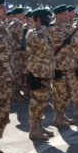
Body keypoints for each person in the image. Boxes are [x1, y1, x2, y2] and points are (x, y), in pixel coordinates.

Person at [48, 5, 78, 127]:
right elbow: (55, 43)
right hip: (59, 66)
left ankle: (62, 114)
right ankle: (57, 116)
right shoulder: (52, 27)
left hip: (70, 65)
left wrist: (71, 41)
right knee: (58, 92)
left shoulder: (69, 26)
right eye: (65, 14)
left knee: (69, 91)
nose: (68, 16)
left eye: (68, 14)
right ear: (58, 15)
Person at [0, 0, 15, 153]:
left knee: (2, 115)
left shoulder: (2, 27)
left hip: (5, 79)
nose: (5, 10)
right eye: (1, 7)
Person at [26, 8, 54, 140]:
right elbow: (40, 41)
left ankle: (39, 125)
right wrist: (43, 27)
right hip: (37, 72)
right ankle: (33, 129)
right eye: (46, 17)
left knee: (43, 101)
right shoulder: (32, 32)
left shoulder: (43, 31)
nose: (49, 19)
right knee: (36, 101)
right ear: (39, 19)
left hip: (46, 72)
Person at [7, 7, 29, 102]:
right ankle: (14, 94)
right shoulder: (12, 26)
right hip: (16, 56)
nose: (23, 15)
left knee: (22, 75)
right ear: (17, 15)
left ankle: (18, 93)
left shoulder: (22, 25)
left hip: (23, 55)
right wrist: (20, 46)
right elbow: (10, 41)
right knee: (16, 75)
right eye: (22, 14)